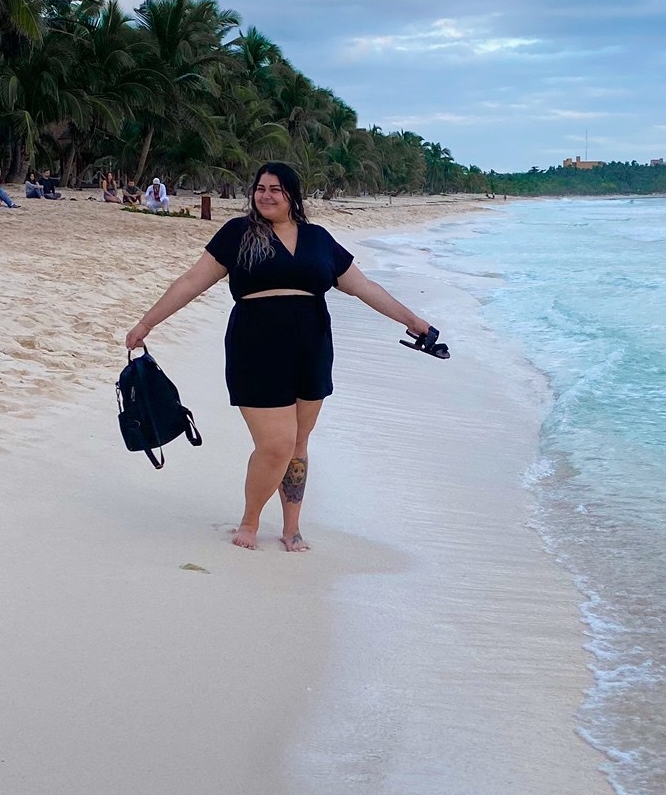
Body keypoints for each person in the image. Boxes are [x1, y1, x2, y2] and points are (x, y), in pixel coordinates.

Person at [124, 160, 438, 554]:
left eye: (275, 189)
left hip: (312, 349)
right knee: (276, 444)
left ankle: (292, 528)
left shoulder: (318, 239)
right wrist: (146, 324)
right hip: (255, 349)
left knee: (298, 444)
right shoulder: (239, 233)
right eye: (260, 188)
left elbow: (363, 287)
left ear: (292, 195)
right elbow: (191, 282)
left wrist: (414, 322)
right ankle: (251, 519)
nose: (266, 195)